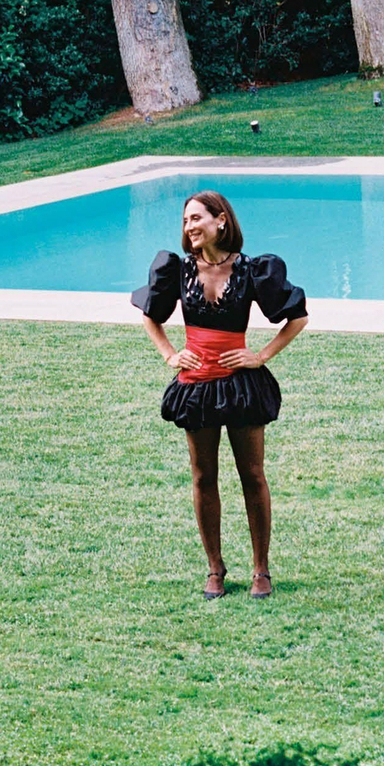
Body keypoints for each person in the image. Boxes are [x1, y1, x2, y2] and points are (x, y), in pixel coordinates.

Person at [132, 190, 308, 599]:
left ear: (221, 220)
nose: (189, 227)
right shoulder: (176, 270)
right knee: (202, 476)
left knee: (252, 476)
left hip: (241, 386)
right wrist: (171, 354)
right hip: (196, 388)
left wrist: (260, 355)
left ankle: (260, 571)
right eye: (185, 221)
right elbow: (150, 317)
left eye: (196, 218)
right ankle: (215, 569)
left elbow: (297, 317)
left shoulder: (252, 269)